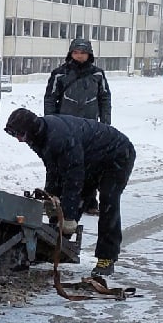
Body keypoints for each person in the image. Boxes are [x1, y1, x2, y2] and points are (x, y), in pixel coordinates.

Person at [5, 107, 136, 280]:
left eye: (20, 135)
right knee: (65, 203)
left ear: (31, 129)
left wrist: (68, 217)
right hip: (89, 158)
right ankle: (55, 247)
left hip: (117, 155)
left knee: (108, 201)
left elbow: (73, 179)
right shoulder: (38, 137)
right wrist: (51, 198)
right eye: (15, 136)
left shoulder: (60, 138)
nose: (19, 140)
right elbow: (53, 170)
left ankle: (107, 257)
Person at [43, 37, 111, 213]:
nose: (79, 56)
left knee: (90, 164)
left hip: (90, 128)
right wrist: (50, 122)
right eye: (76, 52)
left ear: (89, 54)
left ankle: (89, 201)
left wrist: (106, 124)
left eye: (83, 53)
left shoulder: (98, 74)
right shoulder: (59, 74)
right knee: (57, 163)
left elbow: (105, 99)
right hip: (64, 127)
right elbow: (50, 98)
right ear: (71, 53)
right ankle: (52, 198)